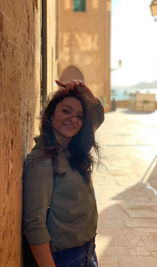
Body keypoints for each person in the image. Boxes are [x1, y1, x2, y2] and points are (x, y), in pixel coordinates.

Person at [22, 80, 104, 267]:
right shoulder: (42, 161)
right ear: (50, 115)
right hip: (64, 260)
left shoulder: (74, 149)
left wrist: (86, 93)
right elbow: (34, 225)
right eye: (66, 111)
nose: (73, 119)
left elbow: (96, 118)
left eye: (79, 116)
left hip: (88, 253)